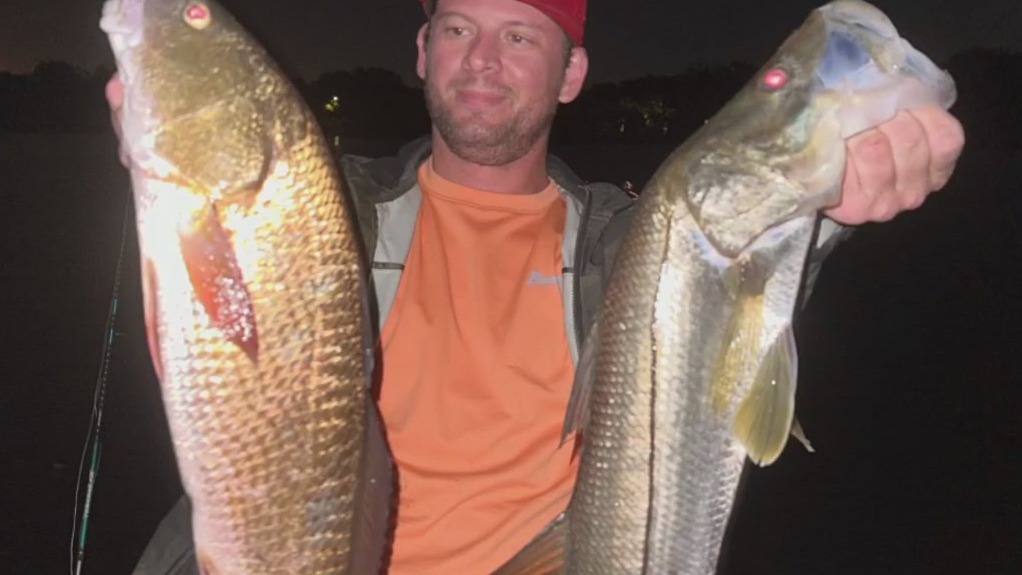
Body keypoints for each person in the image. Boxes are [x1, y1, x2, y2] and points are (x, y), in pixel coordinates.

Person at [112, 0, 965, 573]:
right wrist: (168, 136)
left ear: (571, 74)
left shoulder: (624, 244)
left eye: (520, 37)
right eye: (457, 28)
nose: (482, 60)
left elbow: (725, 287)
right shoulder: (324, 210)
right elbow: (222, 265)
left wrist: (830, 212)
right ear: (423, 52)